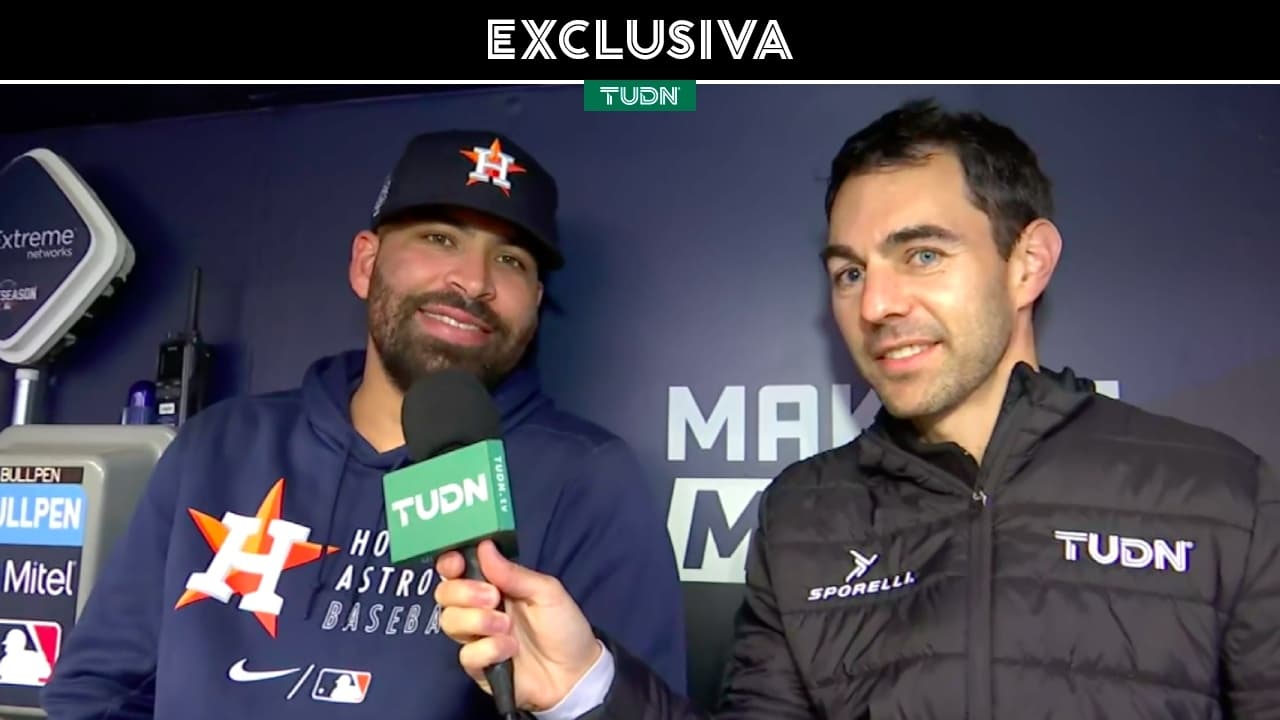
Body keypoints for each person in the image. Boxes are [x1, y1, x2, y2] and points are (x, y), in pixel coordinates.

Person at [431, 99, 1280, 719]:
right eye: (849, 271)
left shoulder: (1221, 494)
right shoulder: (805, 515)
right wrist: (586, 684)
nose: (875, 305)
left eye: (922, 254)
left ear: (1028, 264)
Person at [40, 129, 687, 718]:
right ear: (365, 262)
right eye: (440, 238)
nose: (473, 281)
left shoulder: (586, 478)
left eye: (511, 260)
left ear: (536, 304)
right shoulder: (220, 445)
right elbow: (97, 693)